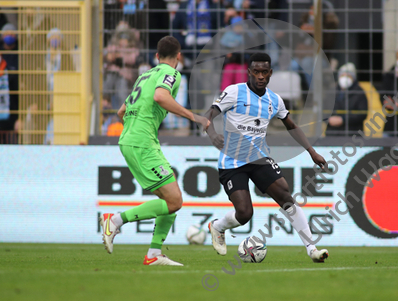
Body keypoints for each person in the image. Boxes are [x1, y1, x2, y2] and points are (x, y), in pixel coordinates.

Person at [204, 52, 330, 263]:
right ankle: (217, 227)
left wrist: (311, 151)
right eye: (256, 71)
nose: (260, 76)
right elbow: (208, 115)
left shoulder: (275, 100)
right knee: (244, 214)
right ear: (249, 72)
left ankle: (312, 249)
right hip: (233, 163)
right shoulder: (234, 92)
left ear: (270, 73)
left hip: (259, 158)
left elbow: (292, 126)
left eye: (264, 72)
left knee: (285, 196)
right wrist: (213, 134)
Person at [100, 36, 210, 266]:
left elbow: (122, 111)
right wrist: (193, 116)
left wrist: (137, 127)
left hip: (134, 139)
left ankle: (154, 254)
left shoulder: (145, 75)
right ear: (178, 56)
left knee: (169, 198)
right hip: (142, 142)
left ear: (157, 56)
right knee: (175, 201)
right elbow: (161, 96)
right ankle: (115, 221)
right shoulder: (172, 73)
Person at [325, 62, 368, 136]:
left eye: (348, 75)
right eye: (342, 75)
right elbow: (323, 110)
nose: (345, 78)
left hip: (353, 135)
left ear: (353, 78)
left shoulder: (360, 93)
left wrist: (343, 120)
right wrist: (329, 119)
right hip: (332, 135)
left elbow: (362, 114)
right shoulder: (331, 92)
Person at [0, 23, 19, 144]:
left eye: (12, 33)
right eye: (6, 33)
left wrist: (19, 117)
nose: (9, 36)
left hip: (13, 112)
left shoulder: (21, 54)